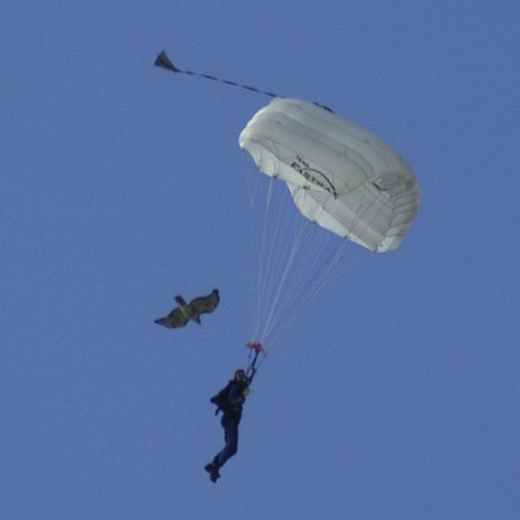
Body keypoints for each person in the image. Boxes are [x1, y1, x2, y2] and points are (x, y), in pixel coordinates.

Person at [204, 368, 251, 483]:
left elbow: (244, 395)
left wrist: (246, 388)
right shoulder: (233, 386)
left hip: (231, 420)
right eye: (239, 375)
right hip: (230, 419)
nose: (241, 377)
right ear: (236, 377)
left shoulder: (241, 387)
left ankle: (214, 465)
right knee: (231, 447)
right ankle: (214, 466)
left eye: (242, 375)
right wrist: (231, 404)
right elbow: (222, 398)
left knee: (231, 448)